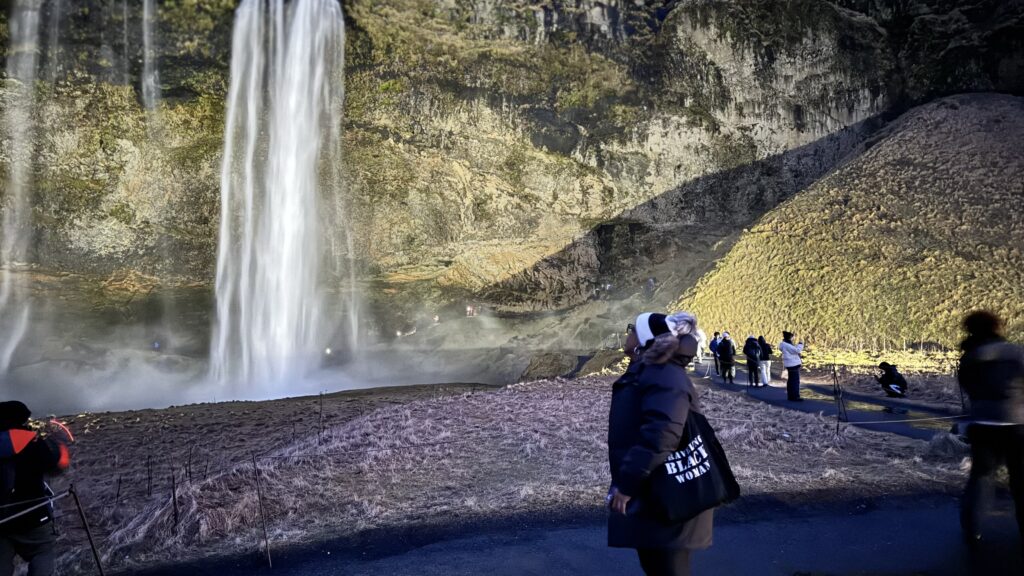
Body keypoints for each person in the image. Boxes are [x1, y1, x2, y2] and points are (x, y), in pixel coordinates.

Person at [608, 312, 712, 576]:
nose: (628, 334)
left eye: (632, 328)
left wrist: (627, 485)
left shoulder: (662, 373)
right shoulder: (653, 370)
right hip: (656, 488)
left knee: (668, 568)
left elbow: (662, 433)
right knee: (657, 565)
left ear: (645, 338)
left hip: (668, 492)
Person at [957, 311, 1024, 547]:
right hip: (1017, 424)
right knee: (1020, 479)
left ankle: (972, 529)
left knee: (981, 478)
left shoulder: (971, 356)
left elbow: (967, 386)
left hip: (982, 424)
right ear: (996, 326)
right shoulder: (1015, 352)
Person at [0, 401, 71, 576]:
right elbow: (59, 465)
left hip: (1, 521)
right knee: (43, 552)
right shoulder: (34, 444)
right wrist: (59, 443)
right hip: (34, 517)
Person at [779, 331, 804, 401]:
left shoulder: (784, 344)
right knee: (795, 381)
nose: (793, 338)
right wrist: (800, 344)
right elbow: (797, 350)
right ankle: (795, 396)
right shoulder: (787, 345)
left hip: (789, 364)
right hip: (793, 364)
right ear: (789, 337)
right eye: (792, 337)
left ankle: (790, 395)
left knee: (791, 380)